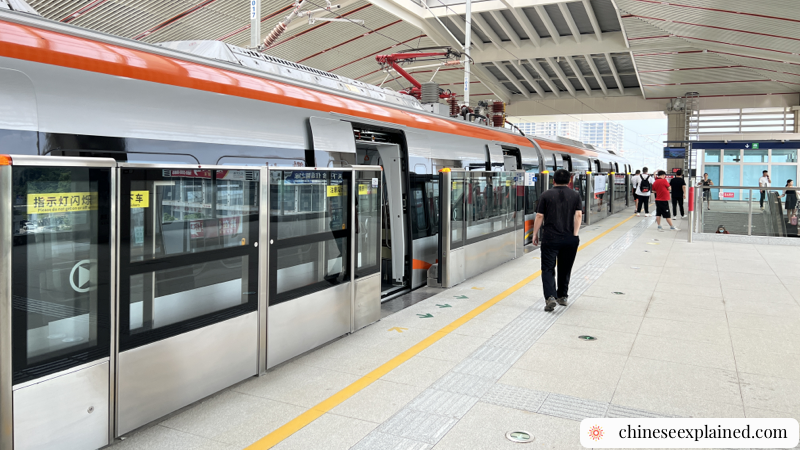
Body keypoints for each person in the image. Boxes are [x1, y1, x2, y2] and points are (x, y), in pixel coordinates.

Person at [532, 169, 583, 312]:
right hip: (569, 238)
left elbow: (539, 216)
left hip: (550, 238)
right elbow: (578, 215)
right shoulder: (575, 195)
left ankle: (550, 297)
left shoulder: (545, 195)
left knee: (548, 268)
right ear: (569, 180)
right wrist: (575, 234)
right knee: (565, 268)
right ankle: (562, 296)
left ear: (553, 180)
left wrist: (535, 234)